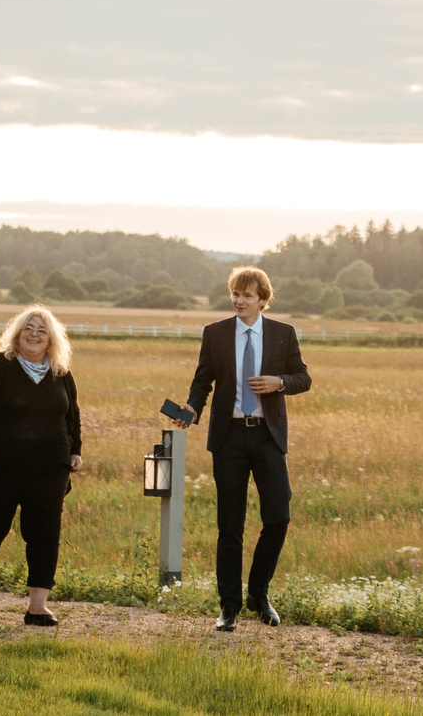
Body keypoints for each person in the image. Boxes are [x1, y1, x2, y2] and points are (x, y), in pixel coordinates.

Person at [170, 266, 311, 631]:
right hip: (229, 438)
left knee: (278, 517)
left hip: (268, 437)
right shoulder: (215, 333)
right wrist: (192, 408)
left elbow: (303, 378)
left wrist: (279, 382)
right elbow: (202, 381)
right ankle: (229, 607)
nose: (239, 300)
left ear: (263, 300)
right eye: (235, 293)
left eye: (247, 295)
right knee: (229, 526)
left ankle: (258, 595)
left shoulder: (283, 334)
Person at [0, 304, 83, 627]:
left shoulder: (61, 374)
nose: (35, 335)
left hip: (50, 469)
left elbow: (72, 418)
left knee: (45, 534)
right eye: (29, 329)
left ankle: (37, 607)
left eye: (42, 330)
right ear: (17, 333)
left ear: (51, 338)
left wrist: (75, 452)